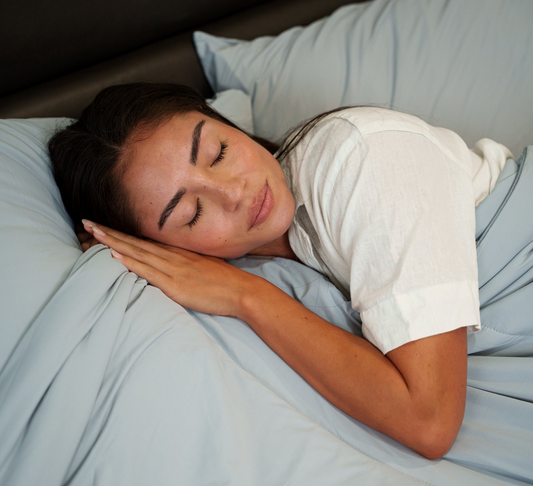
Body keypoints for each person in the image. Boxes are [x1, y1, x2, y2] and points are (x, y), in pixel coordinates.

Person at [48, 82, 513, 459]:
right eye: (191, 212)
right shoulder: (261, 255)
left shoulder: (361, 159)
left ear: (232, 127)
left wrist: (245, 296)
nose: (235, 193)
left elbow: (429, 422)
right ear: (162, 248)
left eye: (219, 152)